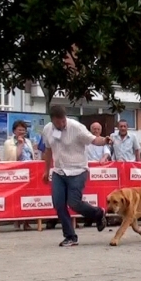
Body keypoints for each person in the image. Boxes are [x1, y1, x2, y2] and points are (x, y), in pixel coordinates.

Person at [41, 105, 112, 247]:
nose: (61, 124)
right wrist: (46, 170)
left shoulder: (76, 127)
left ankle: (98, 213)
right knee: (58, 203)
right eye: (58, 122)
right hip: (59, 171)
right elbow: (48, 150)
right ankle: (70, 236)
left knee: (74, 203)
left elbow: (93, 139)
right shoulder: (47, 129)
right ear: (52, 120)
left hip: (78, 170)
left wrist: (105, 140)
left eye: (63, 121)